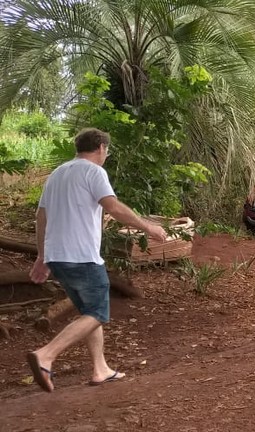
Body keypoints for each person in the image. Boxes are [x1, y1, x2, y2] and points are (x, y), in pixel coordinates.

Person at [26, 128, 168, 393]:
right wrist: (148, 227)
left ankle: (100, 369)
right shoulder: (94, 172)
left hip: (58, 257)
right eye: (107, 151)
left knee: (88, 312)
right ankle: (46, 355)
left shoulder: (57, 174)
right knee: (98, 313)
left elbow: (41, 216)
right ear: (101, 147)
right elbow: (112, 206)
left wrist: (43, 255)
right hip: (81, 257)